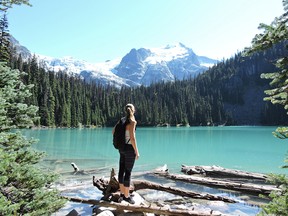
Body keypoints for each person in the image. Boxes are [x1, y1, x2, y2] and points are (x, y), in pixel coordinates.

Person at [112, 103, 140, 204]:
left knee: (121, 171)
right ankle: (127, 197)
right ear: (133, 110)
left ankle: (122, 194)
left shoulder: (121, 121)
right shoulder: (132, 122)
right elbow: (132, 138)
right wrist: (136, 152)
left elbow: (113, 131)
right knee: (128, 172)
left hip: (122, 148)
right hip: (129, 149)